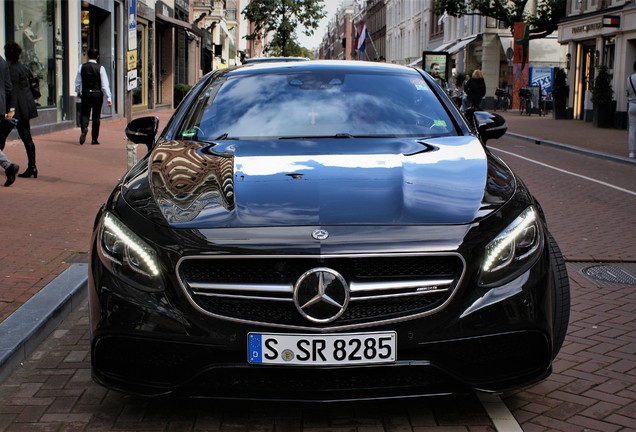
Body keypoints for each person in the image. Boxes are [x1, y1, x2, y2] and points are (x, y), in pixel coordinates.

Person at [0, 42, 38, 179]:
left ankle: (6, 165)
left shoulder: (10, 70)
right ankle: (32, 166)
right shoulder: (24, 68)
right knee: (27, 137)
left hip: (14, 110)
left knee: (1, 135)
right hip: (25, 108)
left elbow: (12, 92)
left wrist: (10, 111)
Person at [75, 48, 113, 145]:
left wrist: (78, 92)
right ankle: (94, 139)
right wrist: (109, 97)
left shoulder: (81, 67)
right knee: (96, 117)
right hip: (97, 94)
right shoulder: (100, 68)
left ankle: (84, 129)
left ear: (87, 56)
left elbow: (78, 82)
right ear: (97, 56)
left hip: (86, 93)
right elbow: (104, 85)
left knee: (84, 114)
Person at [0, 54, 19, 186]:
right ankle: (8, 166)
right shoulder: (2, 62)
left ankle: (9, 166)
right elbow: (8, 88)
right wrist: (8, 110)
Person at [626, 61, 636, 159]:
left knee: (632, 129)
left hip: (632, 105)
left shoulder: (629, 78)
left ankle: (632, 152)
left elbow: (628, 92)